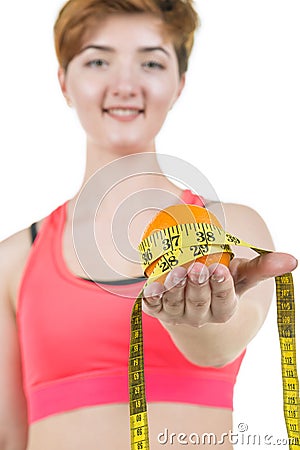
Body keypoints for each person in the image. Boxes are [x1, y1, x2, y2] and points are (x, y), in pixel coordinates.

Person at [0, 0, 297, 449]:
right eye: (98, 60)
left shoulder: (231, 226)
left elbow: (220, 346)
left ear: (179, 84)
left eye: (151, 62)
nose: (124, 84)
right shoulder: (14, 260)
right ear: (63, 81)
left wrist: (194, 318)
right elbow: (7, 433)